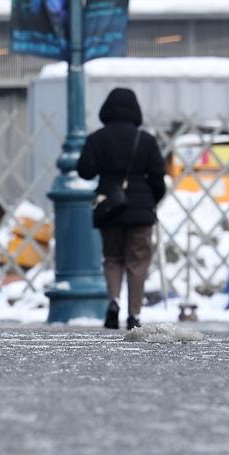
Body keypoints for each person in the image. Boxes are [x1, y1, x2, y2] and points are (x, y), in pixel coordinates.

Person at [78, 87, 167, 330]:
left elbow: (85, 171)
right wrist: (151, 200)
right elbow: (159, 176)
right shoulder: (146, 140)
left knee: (113, 258)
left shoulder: (97, 138)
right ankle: (134, 313)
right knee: (138, 261)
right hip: (140, 210)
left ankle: (114, 301)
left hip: (109, 207)